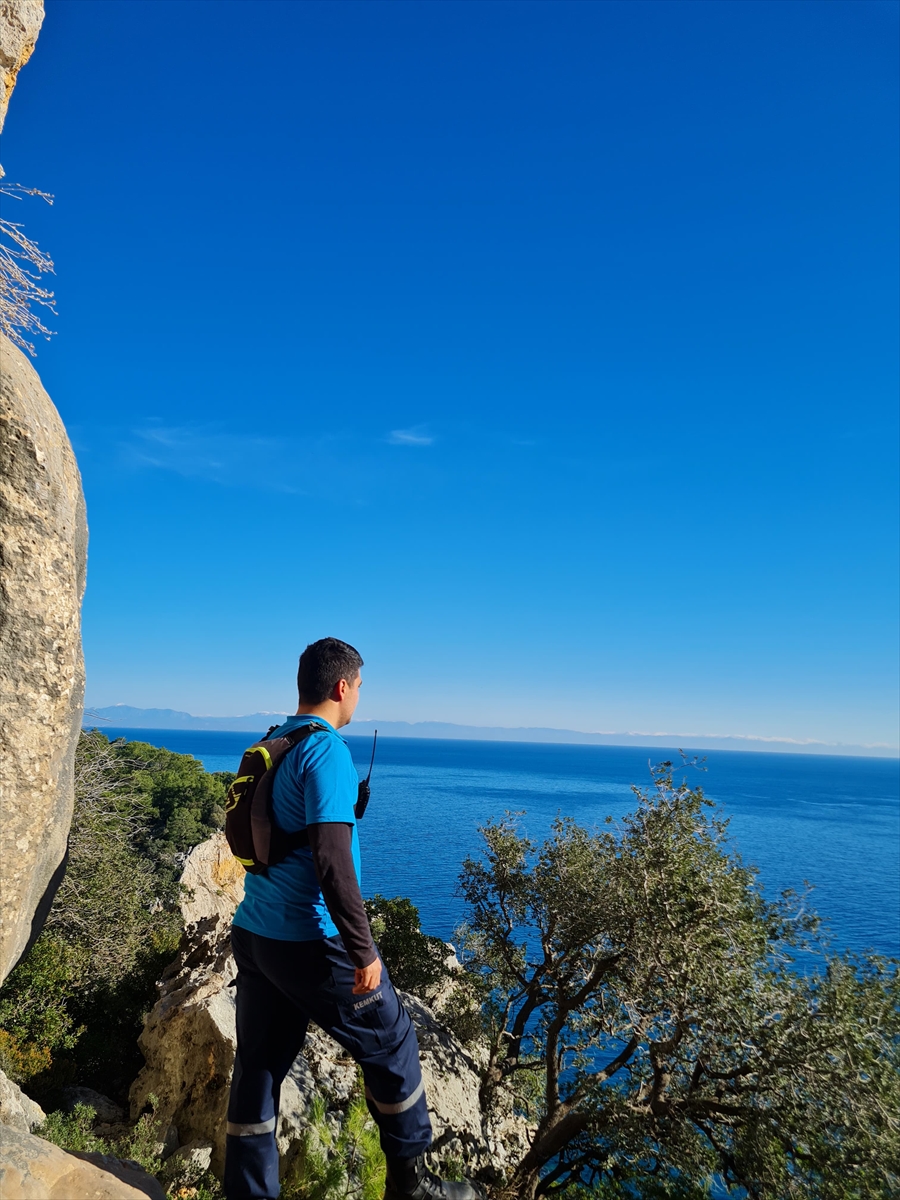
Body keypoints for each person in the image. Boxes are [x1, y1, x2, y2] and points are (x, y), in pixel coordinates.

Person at [224, 637, 481, 1200]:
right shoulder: (327, 752)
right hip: (307, 938)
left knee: (260, 1068)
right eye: (360, 686)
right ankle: (412, 1188)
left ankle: (247, 1193)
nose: (360, 695)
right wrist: (363, 950)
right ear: (343, 687)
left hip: (254, 934)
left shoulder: (274, 741)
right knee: (391, 1041)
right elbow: (332, 860)